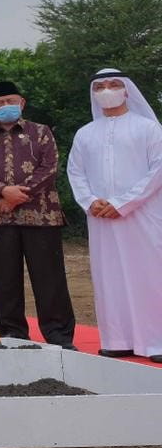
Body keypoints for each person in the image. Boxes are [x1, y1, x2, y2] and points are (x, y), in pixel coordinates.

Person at [0, 81, 76, 348]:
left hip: (42, 216)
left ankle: (59, 336)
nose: (6, 107)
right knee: (5, 280)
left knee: (49, 278)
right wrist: (3, 191)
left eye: (10, 101)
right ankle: (12, 334)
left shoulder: (41, 132)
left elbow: (49, 169)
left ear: (22, 103)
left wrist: (14, 198)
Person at [68, 69, 162, 362]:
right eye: (101, 86)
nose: (107, 90)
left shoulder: (148, 128)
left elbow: (157, 170)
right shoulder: (85, 133)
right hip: (101, 220)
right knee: (109, 277)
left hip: (142, 216)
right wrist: (91, 202)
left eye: (114, 84)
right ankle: (117, 339)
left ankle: (155, 342)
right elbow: (75, 171)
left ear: (127, 90)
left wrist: (122, 203)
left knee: (149, 276)